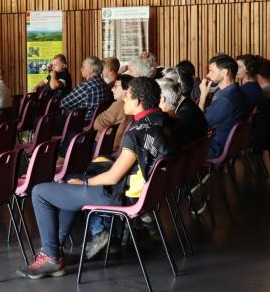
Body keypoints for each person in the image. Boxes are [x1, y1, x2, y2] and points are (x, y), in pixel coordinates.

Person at [18, 77, 168, 279]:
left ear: (138, 101)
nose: (123, 100)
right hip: (145, 193)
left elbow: (114, 177)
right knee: (69, 182)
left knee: (40, 192)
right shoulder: (163, 122)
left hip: (120, 196)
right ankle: (55, 252)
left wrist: (86, 182)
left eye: (127, 97)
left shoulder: (137, 132)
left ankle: (52, 257)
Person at [198, 54, 247, 158]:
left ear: (225, 72)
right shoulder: (237, 92)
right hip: (229, 146)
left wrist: (202, 96)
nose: (208, 75)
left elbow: (199, 125)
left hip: (214, 148)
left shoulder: (226, 99)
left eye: (211, 71)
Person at [158, 77, 207, 149]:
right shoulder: (187, 103)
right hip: (199, 154)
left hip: (189, 157)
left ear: (162, 99)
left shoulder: (179, 118)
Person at [60, 56, 110, 123]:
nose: (81, 69)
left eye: (83, 67)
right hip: (97, 122)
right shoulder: (105, 85)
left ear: (91, 70)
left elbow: (63, 103)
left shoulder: (86, 86)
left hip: (82, 123)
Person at [93, 74, 134, 154]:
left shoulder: (119, 105)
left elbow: (97, 125)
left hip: (108, 147)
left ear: (126, 90)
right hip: (122, 146)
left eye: (116, 86)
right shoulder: (134, 105)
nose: (112, 89)